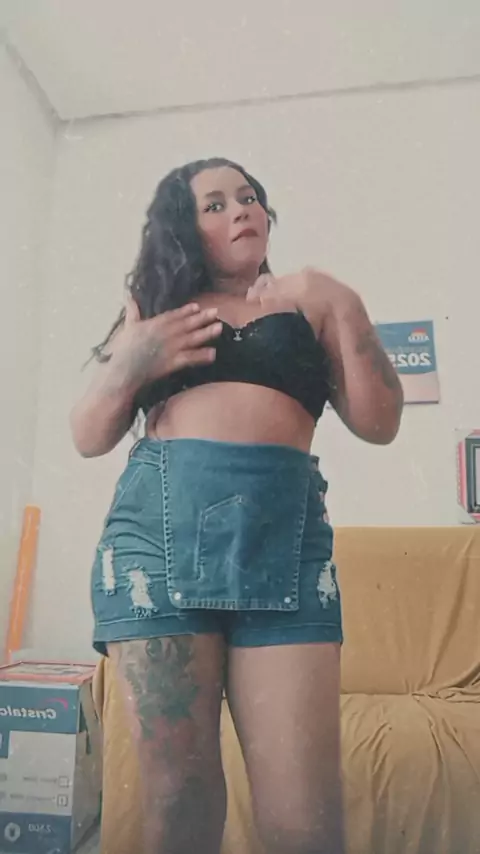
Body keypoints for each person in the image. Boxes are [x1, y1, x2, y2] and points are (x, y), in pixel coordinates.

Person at [70, 157, 403, 854]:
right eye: (214, 204)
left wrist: (343, 300)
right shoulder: (157, 314)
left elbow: (380, 422)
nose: (240, 209)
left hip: (287, 548)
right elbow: (88, 435)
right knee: (178, 808)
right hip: (156, 544)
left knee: (306, 826)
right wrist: (131, 360)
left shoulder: (311, 305)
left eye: (247, 197)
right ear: (183, 229)